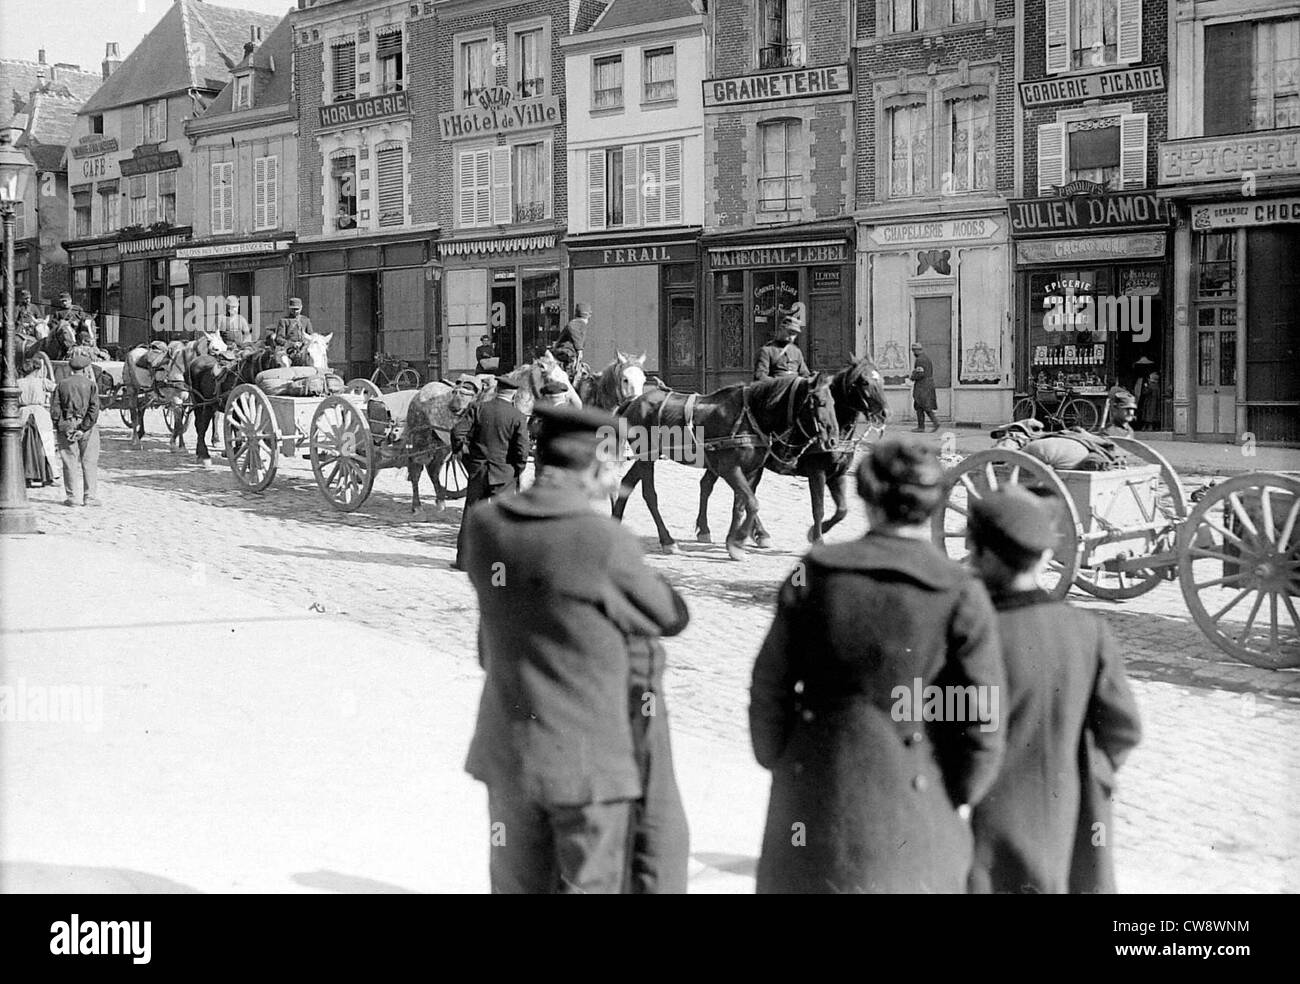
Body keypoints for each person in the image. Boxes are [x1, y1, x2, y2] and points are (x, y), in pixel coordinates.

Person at [750, 438, 1006, 893]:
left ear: (866, 498)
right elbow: (980, 719)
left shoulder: (815, 572)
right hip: (916, 816)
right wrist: (956, 791)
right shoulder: (960, 591)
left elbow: (770, 684)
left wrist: (784, 759)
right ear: (934, 503)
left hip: (811, 805)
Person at [462, 403, 691, 893]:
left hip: (510, 758)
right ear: (592, 466)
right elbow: (670, 616)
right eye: (610, 469)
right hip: (587, 770)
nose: (614, 482)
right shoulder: (603, 540)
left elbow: (490, 644)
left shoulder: (485, 526)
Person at [965, 487, 1142, 894]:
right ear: (1046, 557)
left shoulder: (969, 636)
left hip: (981, 837)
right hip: (1066, 826)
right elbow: (1123, 730)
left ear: (978, 553)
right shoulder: (1088, 632)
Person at [451, 374, 530, 569]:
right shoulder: (517, 416)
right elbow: (522, 450)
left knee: (471, 513)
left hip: (478, 470)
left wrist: (466, 457)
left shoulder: (479, 408)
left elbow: (457, 433)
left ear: (496, 390)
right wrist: (516, 470)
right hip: (503, 475)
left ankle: (463, 561)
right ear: (513, 395)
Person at [49, 347, 102, 507]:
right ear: (86, 368)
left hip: (67, 423)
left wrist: (62, 426)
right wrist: (83, 428)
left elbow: (55, 409)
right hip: (87, 426)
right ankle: (89, 497)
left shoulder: (61, 385)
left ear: (70, 368)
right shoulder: (91, 385)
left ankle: (72, 497)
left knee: (69, 461)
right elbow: (94, 409)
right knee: (89, 461)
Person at [753, 314, 812, 380]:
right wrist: (780, 384)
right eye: (789, 333)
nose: (791, 337)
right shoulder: (767, 351)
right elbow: (760, 376)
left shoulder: (796, 351)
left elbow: (804, 373)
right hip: (777, 388)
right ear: (781, 330)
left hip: (795, 387)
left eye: (794, 335)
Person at [553, 302, 591, 377]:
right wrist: (579, 349)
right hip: (565, 351)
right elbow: (573, 331)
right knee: (571, 364)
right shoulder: (576, 323)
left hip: (567, 352)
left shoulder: (579, 324)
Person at [910, 341, 940, 432]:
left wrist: (912, 377)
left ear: (916, 351)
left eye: (913, 351)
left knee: (924, 405)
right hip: (928, 384)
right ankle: (921, 426)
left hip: (922, 386)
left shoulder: (920, 360)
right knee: (920, 406)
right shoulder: (926, 358)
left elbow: (920, 373)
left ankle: (933, 423)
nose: (913, 353)